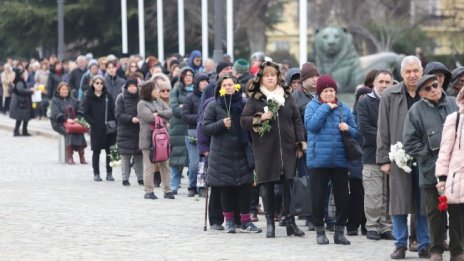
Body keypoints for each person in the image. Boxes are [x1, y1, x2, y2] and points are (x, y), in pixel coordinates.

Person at [241, 61, 306, 238]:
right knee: (267, 186)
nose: (270, 78)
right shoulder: (255, 99)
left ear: (278, 78)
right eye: (267, 75)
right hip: (265, 150)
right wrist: (260, 117)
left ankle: (290, 223)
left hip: (287, 149)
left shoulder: (287, 97)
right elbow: (244, 121)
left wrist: (300, 143)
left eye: (273, 75)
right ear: (261, 78)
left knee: (288, 186)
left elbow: (297, 120)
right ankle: (270, 223)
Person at [376, 56, 431, 259]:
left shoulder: (430, 91)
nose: (412, 75)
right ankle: (400, 244)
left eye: (415, 70)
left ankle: (425, 243)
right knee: (398, 202)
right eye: (408, 71)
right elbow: (383, 128)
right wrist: (383, 159)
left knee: (424, 201)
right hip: (398, 156)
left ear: (421, 71)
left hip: (425, 157)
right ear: (401, 74)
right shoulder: (390, 95)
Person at [403, 74, 458, 261]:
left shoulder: (454, 103)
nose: (433, 89)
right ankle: (436, 249)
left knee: (458, 211)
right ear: (421, 94)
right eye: (427, 88)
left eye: (435, 85)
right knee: (434, 213)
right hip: (430, 169)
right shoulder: (415, 111)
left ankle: (458, 250)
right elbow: (409, 142)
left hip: (456, 169)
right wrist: (430, 153)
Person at [202, 74, 261, 233]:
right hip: (222, 153)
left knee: (245, 188)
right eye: (225, 85)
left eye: (231, 84)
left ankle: (245, 221)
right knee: (226, 188)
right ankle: (228, 221)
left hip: (242, 151)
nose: (228, 87)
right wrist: (221, 124)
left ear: (236, 86)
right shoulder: (213, 106)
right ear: (220, 88)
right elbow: (205, 127)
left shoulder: (243, 104)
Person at [304, 75, 357, 245]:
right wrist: (326, 108)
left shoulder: (344, 108)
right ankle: (320, 231)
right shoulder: (312, 106)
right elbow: (311, 126)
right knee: (318, 197)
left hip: (340, 160)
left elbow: (356, 133)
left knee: (343, 198)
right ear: (319, 92)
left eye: (331, 90)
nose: (329, 93)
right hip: (318, 159)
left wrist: (348, 128)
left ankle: (339, 231)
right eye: (325, 90)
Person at [357, 70, 395, 241]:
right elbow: (365, 129)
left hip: (394, 157)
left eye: (388, 82)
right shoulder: (364, 102)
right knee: (373, 195)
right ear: (374, 83)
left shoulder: (396, 102)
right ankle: (372, 227)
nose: (384, 85)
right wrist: (387, 140)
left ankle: (386, 227)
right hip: (372, 157)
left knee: (389, 195)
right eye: (381, 81)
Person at [435, 87, 464, 261]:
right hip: (456, 178)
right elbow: (444, 151)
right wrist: (442, 177)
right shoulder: (455, 118)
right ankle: (457, 251)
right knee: (455, 218)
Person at [292, 62, 320, 230]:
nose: (316, 79)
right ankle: (309, 215)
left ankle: (319, 213)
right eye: (312, 77)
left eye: (317, 76)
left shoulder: (321, 93)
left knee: (320, 181)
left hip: (321, 143)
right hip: (305, 145)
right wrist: (299, 146)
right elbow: (294, 124)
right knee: (307, 180)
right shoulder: (296, 97)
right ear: (304, 79)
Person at [137, 80, 175, 200]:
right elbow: (149, 118)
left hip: (162, 139)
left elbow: (170, 112)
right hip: (148, 140)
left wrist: (157, 114)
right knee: (150, 166)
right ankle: (149, 191)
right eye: (156, 89)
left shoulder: (158, 101)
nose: (159, 91)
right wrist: (162, 118)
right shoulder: (142, 104)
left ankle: (167, 190)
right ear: (149, 91)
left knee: (165, 165)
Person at [346, 87, 371, 236]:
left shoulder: (373, 116)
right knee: (356, 195)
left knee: (369, 195)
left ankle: (366, 224)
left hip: (368, 160)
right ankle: (353, 224)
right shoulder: (352, 117)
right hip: (355, 161)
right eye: (361, 97)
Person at [82, 75, 116, 182]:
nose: (99, 85)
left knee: (109, 151)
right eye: (97, 83)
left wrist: (114, 124)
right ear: (93, 84)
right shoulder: (89, 96)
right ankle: (96, 173)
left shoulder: (107, 96)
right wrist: (93, 123)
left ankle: (109, 173)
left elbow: (113, 110)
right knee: (96, 152)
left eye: (101, 83)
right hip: (96, 128)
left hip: (108, 128)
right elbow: (85, 113)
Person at [169, 66, 195, 195]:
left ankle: (193, 185)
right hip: (178, 128)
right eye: (186, 75)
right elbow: (174, 108)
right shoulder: (176, 90)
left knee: (192, 159)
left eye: (191, 75)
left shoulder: (197, 90)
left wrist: (184, 107)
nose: (189, 77)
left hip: (192, 127)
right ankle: (174, 186)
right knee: (176, 158)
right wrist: (188, 110)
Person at [182, 72, 209, 197]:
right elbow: (185, 116)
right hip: (193, 132)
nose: (204, 83)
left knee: (203, 162)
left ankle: (201, 186)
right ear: (196, 83)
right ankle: (191, 186)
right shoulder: (189, 98)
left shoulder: (211, 97)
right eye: (202, 81)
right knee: (194, 163)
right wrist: (200, 118)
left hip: (206, 132)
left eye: (206, 81)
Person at [115, 78, 144, 186]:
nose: (132, 88)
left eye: (134, 86)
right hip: (125, 132)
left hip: (138, 131)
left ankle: (140, 178)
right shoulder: (121, 98)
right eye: (130, 86)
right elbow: (118, 114)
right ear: (127, 87)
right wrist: (131, 118)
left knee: (139, 156)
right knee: (125, 156)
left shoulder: (141, 97)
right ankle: (125, 178)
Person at [50, 82, 87, 164]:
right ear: (58, 90)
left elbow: (80, 109)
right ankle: (69, 156)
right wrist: (66, 120)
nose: (65, 91)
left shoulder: (73, 99)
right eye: (63, 89)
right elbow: (55, 113)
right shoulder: (55, 100)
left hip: (73, 122)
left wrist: (78, 118)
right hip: (59, 122)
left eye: (66, 89)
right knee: (69, 132)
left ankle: (82, 155)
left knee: (79, 131)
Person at [10, 68, 34, 137]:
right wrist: (30, 91)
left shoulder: (20, 81)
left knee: (24, 117)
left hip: (22, 102)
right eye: (24, 74)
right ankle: (17, 131)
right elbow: (20, 90)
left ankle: (23, 131)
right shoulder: (20, 82)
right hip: (21, 102)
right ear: (20, 75)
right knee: (20, 117)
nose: (25, 75)